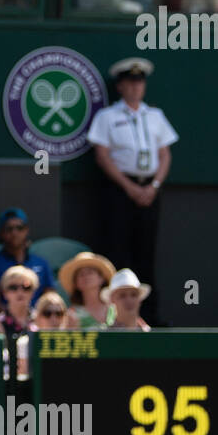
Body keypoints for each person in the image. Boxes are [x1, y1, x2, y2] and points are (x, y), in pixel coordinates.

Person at [88, 57, 178, 325]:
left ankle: (147, 317)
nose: (136, 87)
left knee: (146, 252)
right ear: (120, 86)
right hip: (119, 190)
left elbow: (165, 155)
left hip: (150, 190)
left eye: (140, 82)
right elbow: (102, 156)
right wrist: (129, 187)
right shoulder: (108, 117)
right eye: (130, 82)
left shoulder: (155, 116)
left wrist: (154, 186)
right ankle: (116, 318)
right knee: (118, 250)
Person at [0, 208, 57, 315]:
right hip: (7, 325)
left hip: (38, 322)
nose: (14, 232)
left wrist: (36, 320)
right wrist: (14, 322)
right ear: (2, 233)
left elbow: (50, 298)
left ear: (27, 230)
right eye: (9, 229)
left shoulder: (41, 262)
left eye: (19, 228)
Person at [0, 265, 38, 378]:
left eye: (26, 287)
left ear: (33, 292)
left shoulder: (42, 319)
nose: (20, 291)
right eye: (13, 287)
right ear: (4, 293)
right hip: (10, 382)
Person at [58, 251, 115, 328]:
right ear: (76, 283)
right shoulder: (72, 315)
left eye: (90, 272)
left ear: (101, 278)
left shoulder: (116, 310)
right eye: (81, 274)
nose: (86, 277)